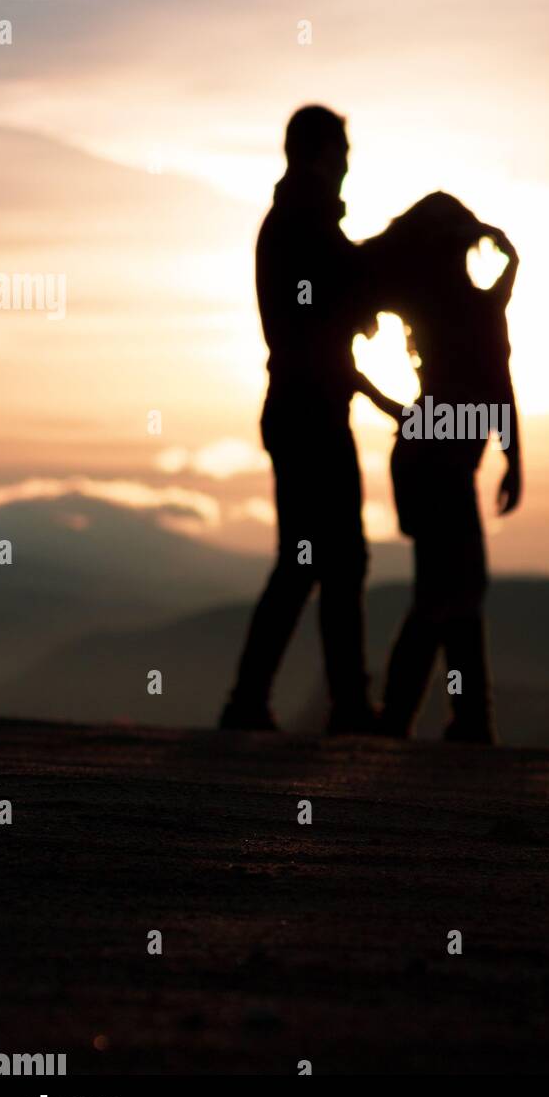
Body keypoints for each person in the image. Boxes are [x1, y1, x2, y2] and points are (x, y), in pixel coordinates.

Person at [221, 105, 384, 734]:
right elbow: (326, 318)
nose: (347, 165)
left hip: (298, 409)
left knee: (309, 559)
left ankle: (254, 701)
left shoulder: (293, 221)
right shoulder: (306, 223)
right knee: (331, 559)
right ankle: (339, 706)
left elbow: (327, 313)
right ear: (320, 154)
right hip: (310, 414)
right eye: (341, 152)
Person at [362, 193, 523, 743]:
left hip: (426, 459)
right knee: (450, 591)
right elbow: (500, 388)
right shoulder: (471, 307)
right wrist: (513, 458)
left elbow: (495, 387)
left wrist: (380, 399)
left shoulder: (427, 304)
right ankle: (438, 718)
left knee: (451, 591)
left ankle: (454, 718)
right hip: (441, 466)